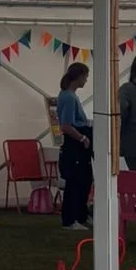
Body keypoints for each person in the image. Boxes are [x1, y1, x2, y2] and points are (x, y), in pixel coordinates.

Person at [55, 62, 92, 229]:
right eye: (85, 76)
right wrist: (82, 137)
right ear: (78, 77)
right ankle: (70, 219)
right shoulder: (68, 97)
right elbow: (66, 125)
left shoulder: (70, 95)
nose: (86, 80)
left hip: (78, 142)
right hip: (74, 145)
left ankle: (81, 215)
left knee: (85, 180)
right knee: (75, 182)